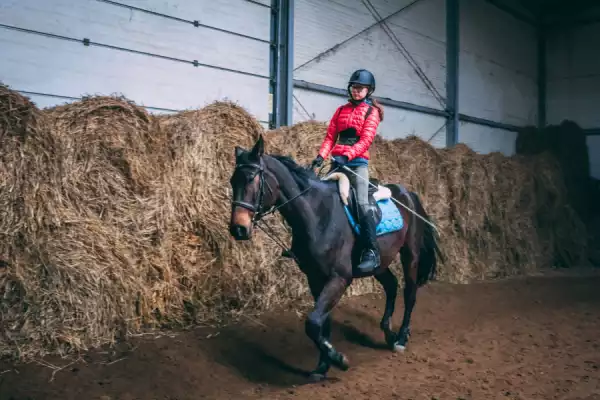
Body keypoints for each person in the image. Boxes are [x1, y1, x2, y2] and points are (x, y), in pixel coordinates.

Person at [310, 69, 384, 273]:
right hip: (337, 163)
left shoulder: (372, 112)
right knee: (318, 199)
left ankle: (371, 251)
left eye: (361, 88)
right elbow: (330, 137)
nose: (357, 91)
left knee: (361, 204)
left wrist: (348, 156)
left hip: (357, 165)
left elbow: (365, 140)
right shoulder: (341, 110)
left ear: (368, 91)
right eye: (354, 87)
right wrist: (320, 157)